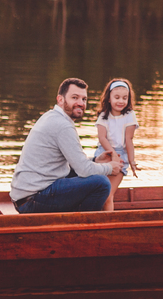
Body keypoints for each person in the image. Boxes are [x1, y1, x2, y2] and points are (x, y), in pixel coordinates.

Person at [10, 78, 116, 213]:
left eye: (84, 99)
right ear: (60, 99)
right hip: (33, 200)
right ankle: (79, 226)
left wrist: (96, 161)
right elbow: (84, 170)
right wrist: (109, 168)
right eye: (75, 97)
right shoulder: (63, 126)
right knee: (101, 183)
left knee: (82, 173)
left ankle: (73, 218)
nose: (80, 103)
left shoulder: (51, 116)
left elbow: (77, 164)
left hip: (25, 197)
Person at [93, 78, 139, 212]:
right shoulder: (103, 116)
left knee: (107, 196)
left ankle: (108, 225)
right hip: (104, 153)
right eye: (117, 97)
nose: (121, 101)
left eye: (125, 98)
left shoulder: (129, 115)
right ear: (109, 98)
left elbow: (129, 140)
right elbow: (102, 138)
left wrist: (132, 161)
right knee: (97, 193)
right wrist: (112, 154)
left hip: (121, 157)